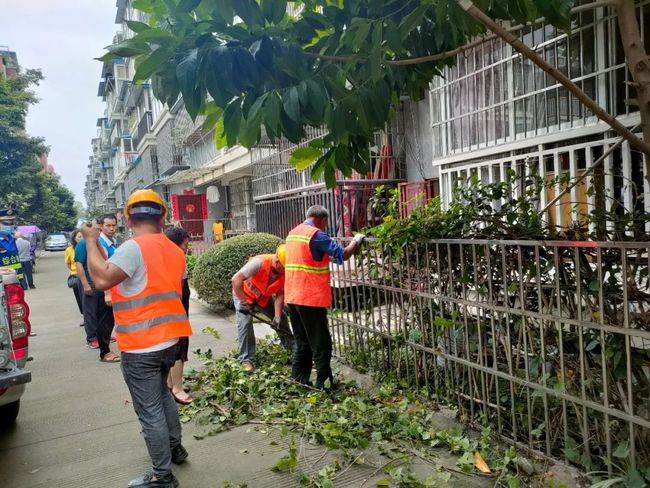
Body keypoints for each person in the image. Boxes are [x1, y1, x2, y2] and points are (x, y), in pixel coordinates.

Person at [82, 189, 191, 488]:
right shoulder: (174, 250)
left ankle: (162, 476)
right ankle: (175, 449)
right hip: (171, 340)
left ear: (127, 217)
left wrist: (90, 240)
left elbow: (103, 279)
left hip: (141, 344)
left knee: (149, 409)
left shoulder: (132, 248)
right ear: (164, 216)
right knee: (163, 395)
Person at [284, 205, 365, 390]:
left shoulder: (293, 233)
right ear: (322, 220)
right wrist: (356, 240)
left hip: (292, 296)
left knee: (302, 342)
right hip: (310, 297)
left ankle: (298, 380)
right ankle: (324, 384)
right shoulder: (316, 235)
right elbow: (343, 254)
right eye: (325, 224)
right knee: (321, 343)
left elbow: (310, 257)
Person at [231, 244, 294, 373]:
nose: (285, 270)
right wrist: (243, 303)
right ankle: (246, 360)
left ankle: (293, 352)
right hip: (244, 295)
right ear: (277, 262)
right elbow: (236, 279)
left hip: (261, 298)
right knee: (245, 323)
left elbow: (280, 294)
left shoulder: (284, 271)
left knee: (281, 318)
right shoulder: (259, 262)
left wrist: (276, 317)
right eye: (284, 267)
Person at [75, 214, 119, 361]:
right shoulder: (89, 242)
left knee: (106, 317)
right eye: (108, 225)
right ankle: (99, 345)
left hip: (110, 283)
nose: (111, 228)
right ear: (100, 226)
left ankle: (103, 343)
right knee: (94, 314)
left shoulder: (110, 242)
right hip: (96, 283)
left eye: (114, 225)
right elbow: (80, 264)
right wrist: (86, 284)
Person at [164, 226, 192, 405]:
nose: (186, 249)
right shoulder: (175, 259)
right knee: (178, 349)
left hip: (171, 311)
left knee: (171, 347)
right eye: (185, 245)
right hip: (175, 312)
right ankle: (178, 389)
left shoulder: (165, 257)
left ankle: (170, 384)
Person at [65, 230, 85, 327]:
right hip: (76, 277)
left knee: (88, 298)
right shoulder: (69, 250)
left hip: (86, 276)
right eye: (79, 237)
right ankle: (85, 317)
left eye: (83, 236)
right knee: (79, 298)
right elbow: (68, 264)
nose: (82, 239)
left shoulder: (87, 247)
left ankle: (90, 317)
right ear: (74, 239)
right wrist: (74, 271)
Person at [0, 208, 24, 283]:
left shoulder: (13, 239)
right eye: (6, 223)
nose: (10, 226)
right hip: (2, 282)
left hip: (17, 280)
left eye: (11, 223)